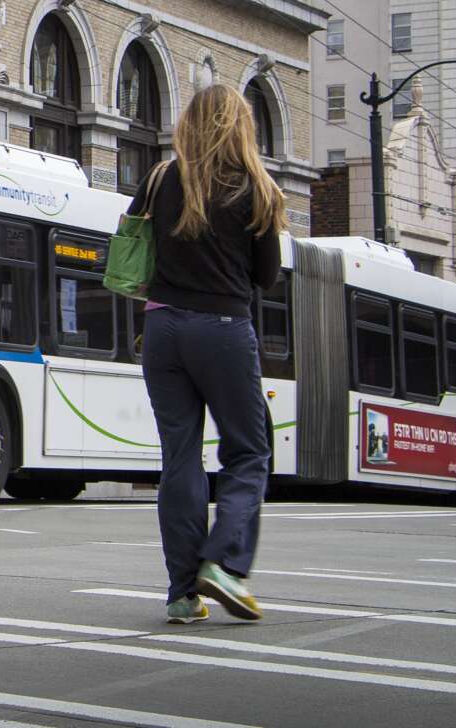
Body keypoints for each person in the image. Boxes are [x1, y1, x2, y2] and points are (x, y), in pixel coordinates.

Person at [127, 83, 285, 625]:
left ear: (190, 123)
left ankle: (181, 593)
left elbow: (132, 243)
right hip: (222, 329)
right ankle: (223, 563)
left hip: (162, 328)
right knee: (248, 452)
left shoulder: (160, 178)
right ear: (241, 126)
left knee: (180, 458)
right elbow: (266, 277)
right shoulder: (256, 187)